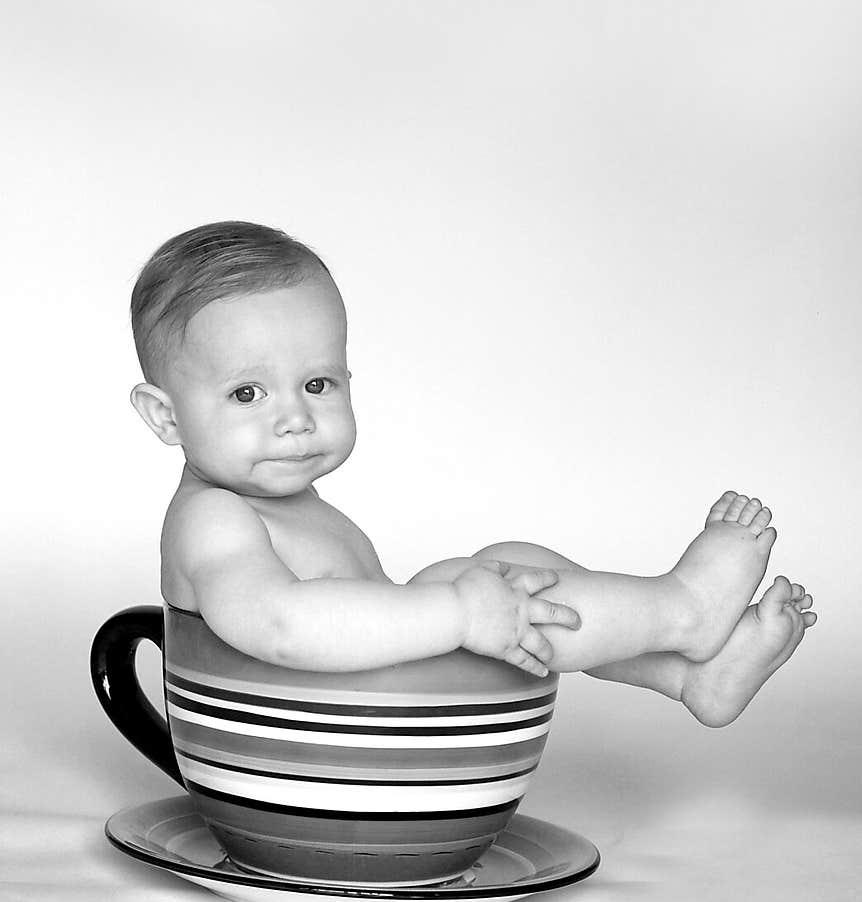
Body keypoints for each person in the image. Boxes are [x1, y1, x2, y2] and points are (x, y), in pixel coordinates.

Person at [129, 220, 815, 726]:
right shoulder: (212, 517)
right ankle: (684, 611)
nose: (295, 418)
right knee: (491, 591)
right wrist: (459, 612)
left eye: (317, 383)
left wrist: (469, 603)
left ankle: (685, 671)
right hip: (344, 730)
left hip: (377, 708)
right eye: (247, 393)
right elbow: (278, 624)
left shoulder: (279, 504)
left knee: (509, 569)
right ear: (165, 417)